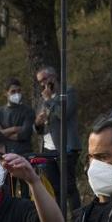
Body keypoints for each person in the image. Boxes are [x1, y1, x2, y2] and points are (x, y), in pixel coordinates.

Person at [33, 66, 81, 210]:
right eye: (40, 82)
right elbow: (38, 129)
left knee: (69, 188)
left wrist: (49, 101)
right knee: (54, 189)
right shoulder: (42, 99)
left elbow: (64, 114)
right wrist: (37, 123)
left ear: (53, 77)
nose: (42, 84)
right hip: (48, 149)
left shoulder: (67, 92)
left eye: (44, 79)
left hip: (65, 147)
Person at [0, 77, 35, 157]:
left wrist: (1, 132)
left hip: (24, 154)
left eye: (19, 91)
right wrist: (14, 129)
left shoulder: (28, 111)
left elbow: (24, 135)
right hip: (4, 155)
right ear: (5, 93)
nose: (17, 94)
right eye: (13, 92)